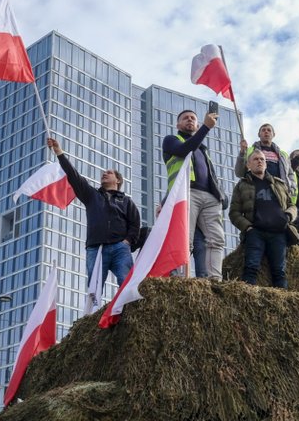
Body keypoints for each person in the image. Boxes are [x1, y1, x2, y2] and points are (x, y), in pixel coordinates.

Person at [46, 137, 140, 293]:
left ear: (118, 180)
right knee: (93, 291)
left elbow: (135, 224)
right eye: (103, 173)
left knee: (126, 284)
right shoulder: (91, 195)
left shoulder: (126, 201)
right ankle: (94, 316)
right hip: (96, 249)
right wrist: (59, 153)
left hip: (120, 248)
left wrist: (127, 241)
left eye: (109, 173)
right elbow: (73, 176)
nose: (104, 174)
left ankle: (127, 313)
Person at [161, 109, 226, 280]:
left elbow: (211, 174)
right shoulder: (171, 140)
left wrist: (221, 196)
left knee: (216, 239)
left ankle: (214, 280)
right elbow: (183, 150)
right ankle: (180, 278)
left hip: (210, 198)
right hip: (187, 194)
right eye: (185, 118)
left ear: (196, 124)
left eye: (193, 118)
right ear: (178, 124)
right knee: (184, 238)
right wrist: (205, 127)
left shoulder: (203, 149)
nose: (189, 120)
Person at [229, 150, 298, 288]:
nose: (259, 161)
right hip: (256, 232)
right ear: (248, 165)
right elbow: (234, 213)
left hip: (278, 232)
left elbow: (292, 205)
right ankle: (248, 301)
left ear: (266, 164)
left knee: (279, 272)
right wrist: (248, 228)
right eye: (255, 159)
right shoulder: (242, 185)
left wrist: (288, 216)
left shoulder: (279, 183)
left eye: (262, 159)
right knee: (251, 267)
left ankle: (282, 306)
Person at [234, 123, 297, 204]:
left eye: (269, 130)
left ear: (273, 134)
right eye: (263, 130)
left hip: (280, 194)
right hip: (257, 193)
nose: (266, 132)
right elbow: (239, 173)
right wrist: (242, 153)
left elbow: (291, 174)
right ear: (259, 134)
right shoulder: (250, 151)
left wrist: (291, 188)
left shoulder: (283, 155)